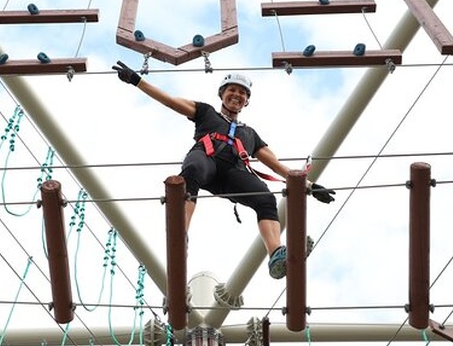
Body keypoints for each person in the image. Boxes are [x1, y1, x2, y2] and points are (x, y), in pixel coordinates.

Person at [112, 60, 335, 279]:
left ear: (247, 101)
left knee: (265, 197)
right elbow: (170, 101)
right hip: (205, 161)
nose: (237, 95)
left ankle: (276, 254)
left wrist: (310, 186)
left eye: (242, 93)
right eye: (232, 90)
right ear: (222, 94)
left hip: (232, 175)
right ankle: (181, 233)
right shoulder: (205, 112)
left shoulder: (250, 134)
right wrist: (137, 81)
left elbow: (275, 165)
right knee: (192, 171)